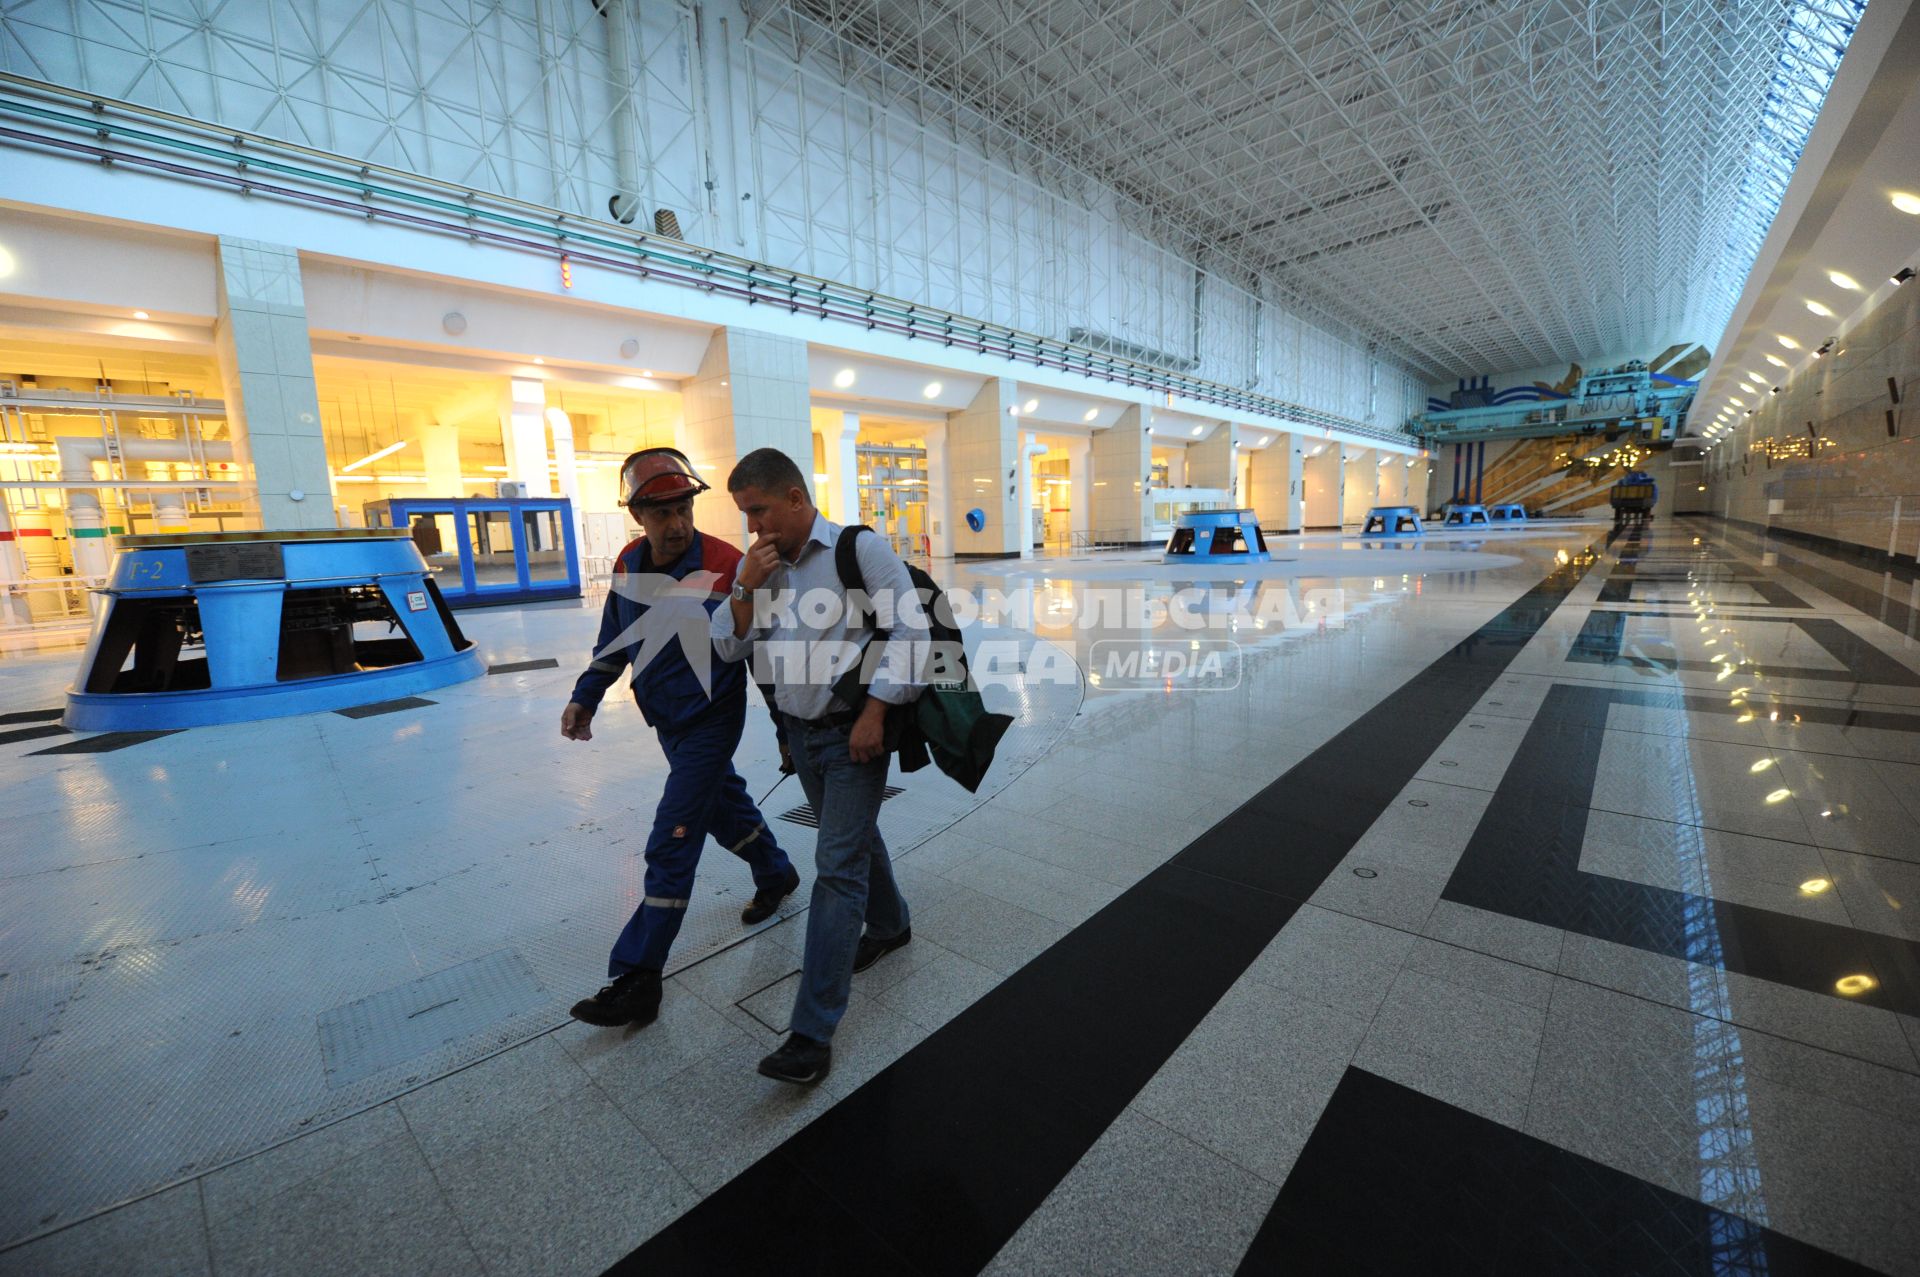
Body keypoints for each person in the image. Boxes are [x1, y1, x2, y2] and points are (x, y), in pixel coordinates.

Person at [563, 447, 801, 1029]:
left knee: (673, 834)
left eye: (682, 509)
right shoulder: (628, 564)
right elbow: (613, 640)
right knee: (722, 806)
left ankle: (639, 976)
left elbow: (761, 655)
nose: (675, 524)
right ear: (637, 516)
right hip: (665, 718)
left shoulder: (728, 564)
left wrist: (785, 728)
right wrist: (584, 695)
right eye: (660, 513)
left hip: (713, 719)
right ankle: (776, 872)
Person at [712, 447, 929, 1084]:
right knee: (854, 841)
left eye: (759, 511)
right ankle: (890, 925)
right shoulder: (764, 569)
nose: (753, 527)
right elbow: (728, 645)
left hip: (854, 734)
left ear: (797, 499)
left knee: (836, 869)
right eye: (745, 515)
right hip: (801, 736)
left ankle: (811, 1033)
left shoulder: (858, 551)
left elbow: (911, 634)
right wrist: (745, 585)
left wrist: (876, 714)